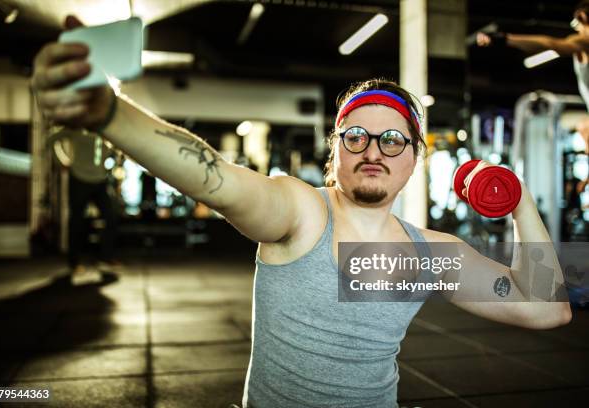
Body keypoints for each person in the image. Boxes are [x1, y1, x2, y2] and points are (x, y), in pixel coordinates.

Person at [32, 15, 572, 408]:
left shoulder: (431, 255)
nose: (373, 151)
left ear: (414, 159)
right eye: (356, 135)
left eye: (392, 140)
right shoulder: (301, 211)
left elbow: (545, 308)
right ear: (334, 151)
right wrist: (109, 113)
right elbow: (214, 178)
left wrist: (518, 201)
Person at [476, 0, 589, 155]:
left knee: (584, 127)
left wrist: (506, 39)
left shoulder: (584, 41)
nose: (577, 30)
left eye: (576, 25)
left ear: (582, 17)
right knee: (583, 127)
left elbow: (550, 43)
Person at [47, 127, 119, 285]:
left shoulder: (104, 127)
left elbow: (114, 146)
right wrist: (63, 162)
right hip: (79, 178)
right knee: (77, 220)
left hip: (99, 179)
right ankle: (74, 262)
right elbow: (52, 139)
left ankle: (105, 257)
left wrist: (108, 165)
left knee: (110, 217)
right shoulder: (75, 126)